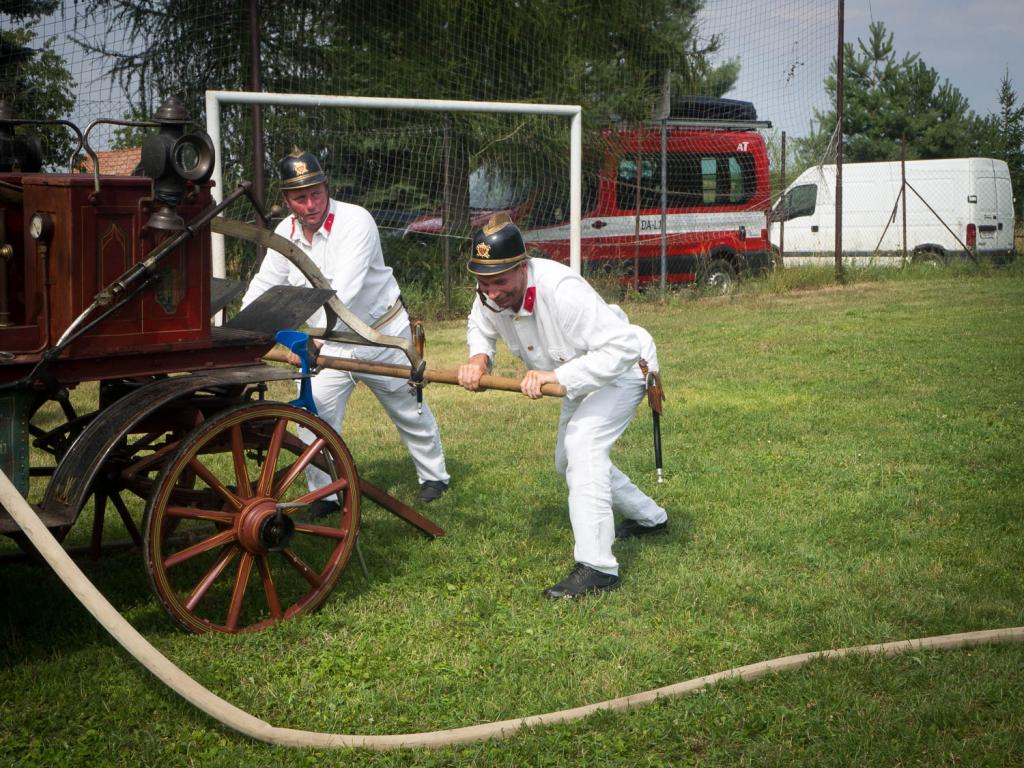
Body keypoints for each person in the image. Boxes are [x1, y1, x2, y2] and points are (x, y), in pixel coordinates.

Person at [457, 214, 668, 599]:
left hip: (624, 366)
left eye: (500, 282)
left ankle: (598, 567)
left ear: (522, 267)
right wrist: (478, 360)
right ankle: (650, 519)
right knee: (568, 461)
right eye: (484, 283)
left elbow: (621, 348)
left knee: (583, 444)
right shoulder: (488, 294)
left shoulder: (562, 290)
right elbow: (481, 326)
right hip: (578, 369)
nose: (492, 293)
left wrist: (556, 376)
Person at [241, 148, 450, 508]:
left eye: (316, 193)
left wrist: (310, 343)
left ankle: (434, 478)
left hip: (379, 334)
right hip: (325, 342)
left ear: (327, 188)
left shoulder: (356, 221)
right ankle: (325, 494)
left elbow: (343, 293)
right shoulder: (284, 232)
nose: (311, 205)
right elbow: (265, 285)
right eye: (300, 198)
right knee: (312, 415)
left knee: (407, 407)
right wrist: (244, 328)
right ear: (286, 200)